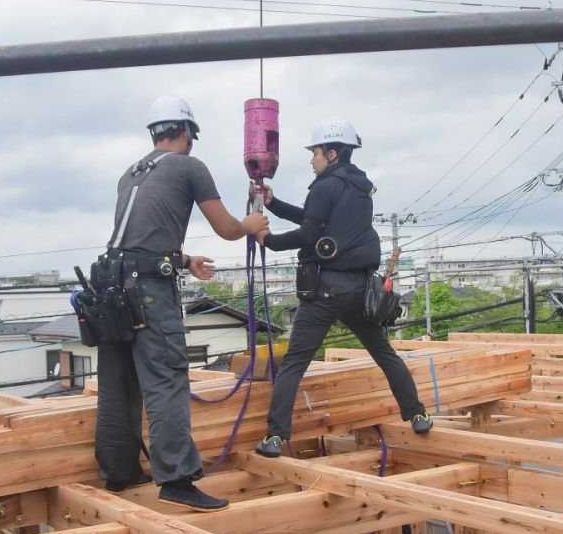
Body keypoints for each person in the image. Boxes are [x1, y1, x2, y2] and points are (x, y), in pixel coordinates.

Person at [95, 95, 268, 511]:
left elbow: (138, 236)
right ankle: (176, 479)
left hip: (110, 283)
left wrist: (184, 260)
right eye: (192, 135)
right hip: (148, 289)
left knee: (118, 384)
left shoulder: (130, 172)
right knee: (167, 380)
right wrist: (252, 224)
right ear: (186, 131)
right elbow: (227, 227)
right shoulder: (191, 167)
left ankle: (119, 473)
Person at [252, 119, 433, 458]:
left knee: (294, 364)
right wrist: (273, 203)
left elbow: (309, 233)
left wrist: (269, 241)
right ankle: (418, 414)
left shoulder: (323, 186)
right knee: (385, 354)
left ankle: (275, 437)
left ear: (332, 153)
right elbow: (314, 219)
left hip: (324, 294)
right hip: (360, 292)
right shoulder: (360, 188)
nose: (312, 160)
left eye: (316, 153)